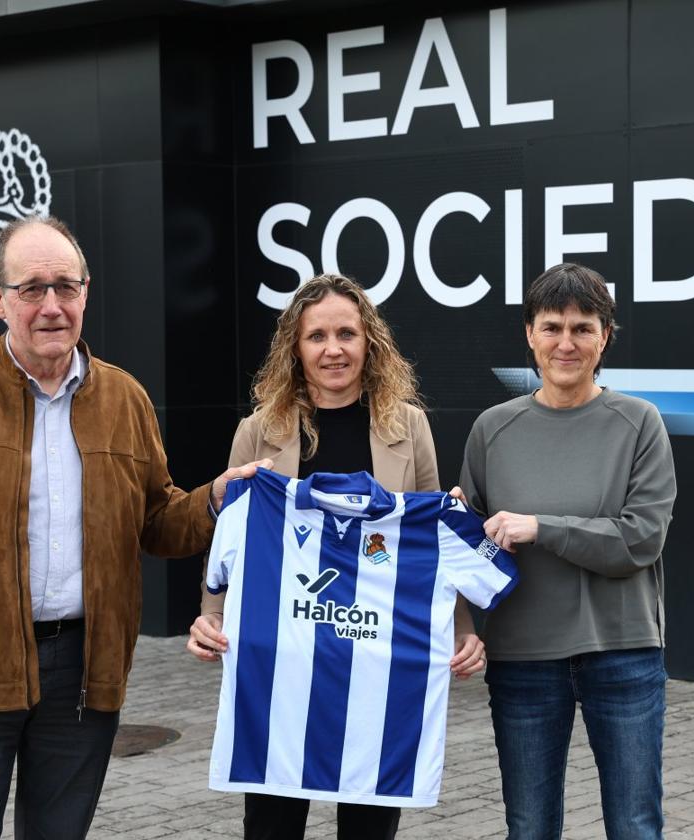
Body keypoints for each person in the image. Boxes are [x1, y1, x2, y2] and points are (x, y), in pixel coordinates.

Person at [0, 215, 269, 840]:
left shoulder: (125, 400)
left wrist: (217, 497)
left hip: (82, 675)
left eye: (66, 287)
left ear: (86, 294)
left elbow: (156, 523)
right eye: (32, 289)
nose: (52, 306)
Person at [187, 273, 486, 840]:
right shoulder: (258, 431)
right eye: (316, 336)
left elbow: (431, 542)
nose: (333, 350)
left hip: (375, 659)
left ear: (368, 341)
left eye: (346, 333)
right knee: (272, 824)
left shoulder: (408, 426)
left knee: (370, 823)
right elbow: (230, 532)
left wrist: (460, 629)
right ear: (294, 349)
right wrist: (213, 614)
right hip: (283, 659)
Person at [457, 263, 677, 840]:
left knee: (635, 826)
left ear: (605, 335)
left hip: (622, 653)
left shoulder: (640, 423)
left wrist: (542, 528)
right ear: (529, 332)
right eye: (552, 326)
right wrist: (455, 523)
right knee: (529, 829)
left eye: (583, 328)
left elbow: (639, 539)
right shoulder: (491, 429)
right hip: (523, 660)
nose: (566, 343)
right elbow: (473, 550)